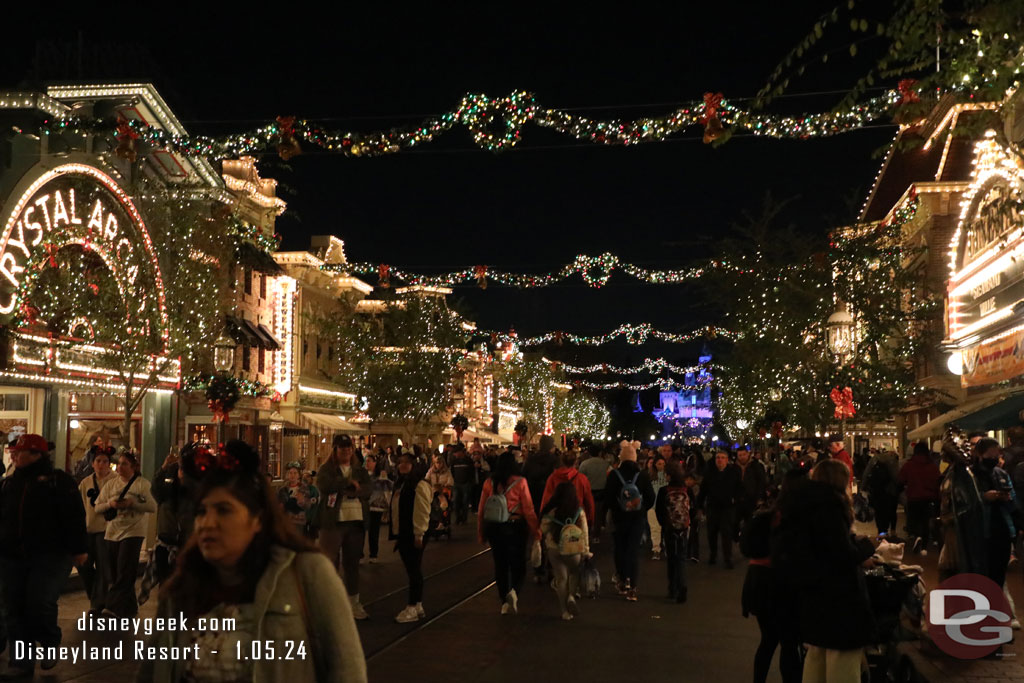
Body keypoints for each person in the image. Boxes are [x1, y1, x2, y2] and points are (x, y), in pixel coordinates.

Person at [138, 439, 367, 683]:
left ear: (257, 518)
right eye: (202, 511)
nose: (208, 523)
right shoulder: (181, 586)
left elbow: (347, 669)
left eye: (224, 510)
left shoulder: (307, 572)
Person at [773, 459, 876, 683]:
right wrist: (867, 546)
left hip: (813, 595)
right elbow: (840, 556)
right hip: (838, 598)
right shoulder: (829, 506)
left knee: (816, 659)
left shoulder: (801, 504)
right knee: (843, 663)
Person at [0, 434, 88, 679]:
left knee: (40, 602)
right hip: (12, 557)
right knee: (14, 609)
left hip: (50, 556)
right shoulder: (9, 484)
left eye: (20, 452)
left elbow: (74, 517)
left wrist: (79, 549)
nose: (14, 455)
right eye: (13, 452)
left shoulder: (59, 482)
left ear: (37, 454)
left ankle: (49, 642)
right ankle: (21, 661)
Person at [741, 469, 805, 683]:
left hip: (758, 580)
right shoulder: (795, 517)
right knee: (789, 641)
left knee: (768, 640)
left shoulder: (767, 514)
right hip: (781, 583)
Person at [93, 450, 155, 619]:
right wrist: (110, 504)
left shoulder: (142, 484)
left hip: (133, 531)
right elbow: (98, 506)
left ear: (133, 467)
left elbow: (152, 506)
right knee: (114, 571)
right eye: (119, 463)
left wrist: (132, 503)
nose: (120, 467)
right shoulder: (111, 485)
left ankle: (112, 607)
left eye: (124, 464)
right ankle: (129, 608)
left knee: (125, 570)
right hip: (112, 532)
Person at [316, 434, 372, 620]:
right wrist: (346, 483)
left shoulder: (360, 470)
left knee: (352, 564)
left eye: (349, 448)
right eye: (342, 448)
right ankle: (329, 603)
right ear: (335, 450)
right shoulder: (327, 468)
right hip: (333, 522)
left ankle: (353, 603)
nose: (346, 451)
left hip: (355, 522)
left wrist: (356, 489)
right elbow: (324, 484)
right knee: (330, 564)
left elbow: (368, 489)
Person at [477, 449, 540, 614]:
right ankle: (514, 591)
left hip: (494, 528)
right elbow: (528, 509)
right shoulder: (520, 482)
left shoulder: (489, 482)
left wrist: (481, 533)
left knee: (500, 565)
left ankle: (504, 601)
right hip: (515, 526)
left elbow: (482, 510)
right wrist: (536, 531)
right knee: (518, 563)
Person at [605, 440, 655, 601]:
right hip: (637, 519)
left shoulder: (614, 474)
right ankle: (632, 586)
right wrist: (641, 509)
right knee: (633, 551)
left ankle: (621, 580)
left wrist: (615, 509)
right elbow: (650, 497)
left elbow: (608, 497)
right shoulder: (642, 475)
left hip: (619, 518)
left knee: (619, 549)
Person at [972, 438, 1022, 590]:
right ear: (980, 455)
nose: (994, 458)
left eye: (996, 455)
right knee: (982, 575)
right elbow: (965, 501)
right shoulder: (971, 475)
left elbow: (1013, 502)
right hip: (980, 531)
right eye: (990, 455)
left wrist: (1006, 498)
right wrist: (984, 497)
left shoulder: (1001, 473)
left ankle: (994, 606)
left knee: (998, 574)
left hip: (1002, 530)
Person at [389, 451, 433, 623]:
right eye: (400, 463)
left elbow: (422, 510)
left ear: (414, 465)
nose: (403, 465)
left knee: (413, 569)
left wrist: (419, 533)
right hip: (404, 531)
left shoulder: (418, 484)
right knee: (413, 568)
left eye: (407, 463)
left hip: (413, 532)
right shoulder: (401, 483)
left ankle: (412, 606)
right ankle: (418, 604)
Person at [540, 482, 591, 621]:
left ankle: (564, 612)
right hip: (573, 549)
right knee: (574, 573)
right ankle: (571, 596)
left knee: (561, 578)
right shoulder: (578, 511)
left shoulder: (551, 510)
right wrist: (586, 551)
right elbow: (585, 533)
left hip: (554, 548)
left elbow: (543, 529)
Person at [151, 446, 198, 585]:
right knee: (165, 581)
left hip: (187, 541)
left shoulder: (196, 488)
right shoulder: (168, 485)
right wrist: (164, 467)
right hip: (166, 539)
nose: (182, 471)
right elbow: (155, 488)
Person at [77, 447, 116, 616]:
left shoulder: (115, 481)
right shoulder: (85, 483)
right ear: (92, 464)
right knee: (84, 565)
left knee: (102, 566)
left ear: (109, 464)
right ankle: (96, 597)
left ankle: (96, 603)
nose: (101, 464)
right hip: (88, 529)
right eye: (98, 461)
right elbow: (79, 507)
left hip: (106, 529)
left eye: (105, 461)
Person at [698, 451, 743, 568]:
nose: (720, 460)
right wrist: (699, 506)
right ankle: (713, 554)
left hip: (727, 508)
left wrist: (735, 500)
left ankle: (727, 558)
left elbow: (739, 488)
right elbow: (703, 490)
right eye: (718, 457)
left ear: (727, 460)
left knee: (726, 533)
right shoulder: (709, 473)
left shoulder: (733, 472)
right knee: (712, 533)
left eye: (723, 458)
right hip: (713, 507)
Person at [655, 461, 691, 603]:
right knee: (681, 558)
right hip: (683, 528)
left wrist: (664, 524)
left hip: (670, 528)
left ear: (668, 475)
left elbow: (659, 510)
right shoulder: (685, 490)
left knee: (671, 558)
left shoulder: (664, 491)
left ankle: (672, 588)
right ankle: (682, 585)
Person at [898, 442, 941, 555]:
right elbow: (938, 482)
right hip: (929, 498)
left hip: (913, 498)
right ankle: (924, 547)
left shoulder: (909, 465)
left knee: (914, 520)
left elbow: (901, 480)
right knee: (925, 521)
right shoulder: (932, 466)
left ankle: (917, 536)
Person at [540, 449, 596, 535]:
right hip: (577, 518)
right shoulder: (581, 479)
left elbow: (546, 499)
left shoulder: (552, 478)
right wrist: (590, 519)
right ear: (575, 462)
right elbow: (589, 501)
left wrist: (542, 517)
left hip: (557, 518)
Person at [860, 447, 899, 537]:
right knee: (892, 510)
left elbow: (866, 473)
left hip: (876, 490)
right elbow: (896, 476)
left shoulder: (874, 459)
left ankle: (881, 531)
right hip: (890, 491)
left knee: (879, 511)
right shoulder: (892, 460)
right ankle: (893, 530)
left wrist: (863, 487)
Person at [278, 461, 320, 540]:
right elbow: (280, 506)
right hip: (286, 521)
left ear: (299, 475)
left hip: (299, 521)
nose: (292, 475)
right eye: (290, 473)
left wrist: (302, 502)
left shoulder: (303, 488)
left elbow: (308, 506)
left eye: (295, 473)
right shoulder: (283, 490)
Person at [737, 448, 769, 542]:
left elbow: (761, 482)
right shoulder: (735, 467)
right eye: (740, 455)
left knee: (750, 521)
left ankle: (748, 540)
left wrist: (760, 497)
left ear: (748, 454)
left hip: (751, 498)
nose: (742, 457)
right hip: (738, 499)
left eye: (743, 454)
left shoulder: (756, 466)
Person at [578, 446, 610, 539]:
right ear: (599, 453)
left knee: (587, 512)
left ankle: (586, 533)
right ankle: (596, 534)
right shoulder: (605, 464)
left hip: (588, 491)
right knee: (598, 514)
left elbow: (580, 478)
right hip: (601, 491)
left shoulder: (584, 464)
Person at [365, 454, 393, 563]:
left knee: (374, 531)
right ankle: (360, 554)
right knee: (361, 531)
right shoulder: (363, 475)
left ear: (375, 463)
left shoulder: (380, 476)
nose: (367, 463)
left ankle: (373, 554)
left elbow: (388, 488)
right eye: (366, 461)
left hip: (376, 507)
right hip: (364, 505)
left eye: (369, 461)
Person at [647, 455, 669, 559]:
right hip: (652, 506)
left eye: (663, 464)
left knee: (666, 527)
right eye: (659, 464)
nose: (662, 466)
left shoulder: (668, 476)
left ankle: (666, 546)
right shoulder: (650, 477)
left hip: (665, 506)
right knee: (655, 528)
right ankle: (656, 549)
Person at [449, 443, 475, 525]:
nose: (455, 454)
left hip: (466, 484)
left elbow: (472, 472)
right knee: (456, 501)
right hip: (456, 483)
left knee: (465, 502)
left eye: (456, 452)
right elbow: (452, 472)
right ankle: (458, 518)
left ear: (461, 452)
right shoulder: (454, 461)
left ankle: (464, 518)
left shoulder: (468, 461)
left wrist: (470, 482)